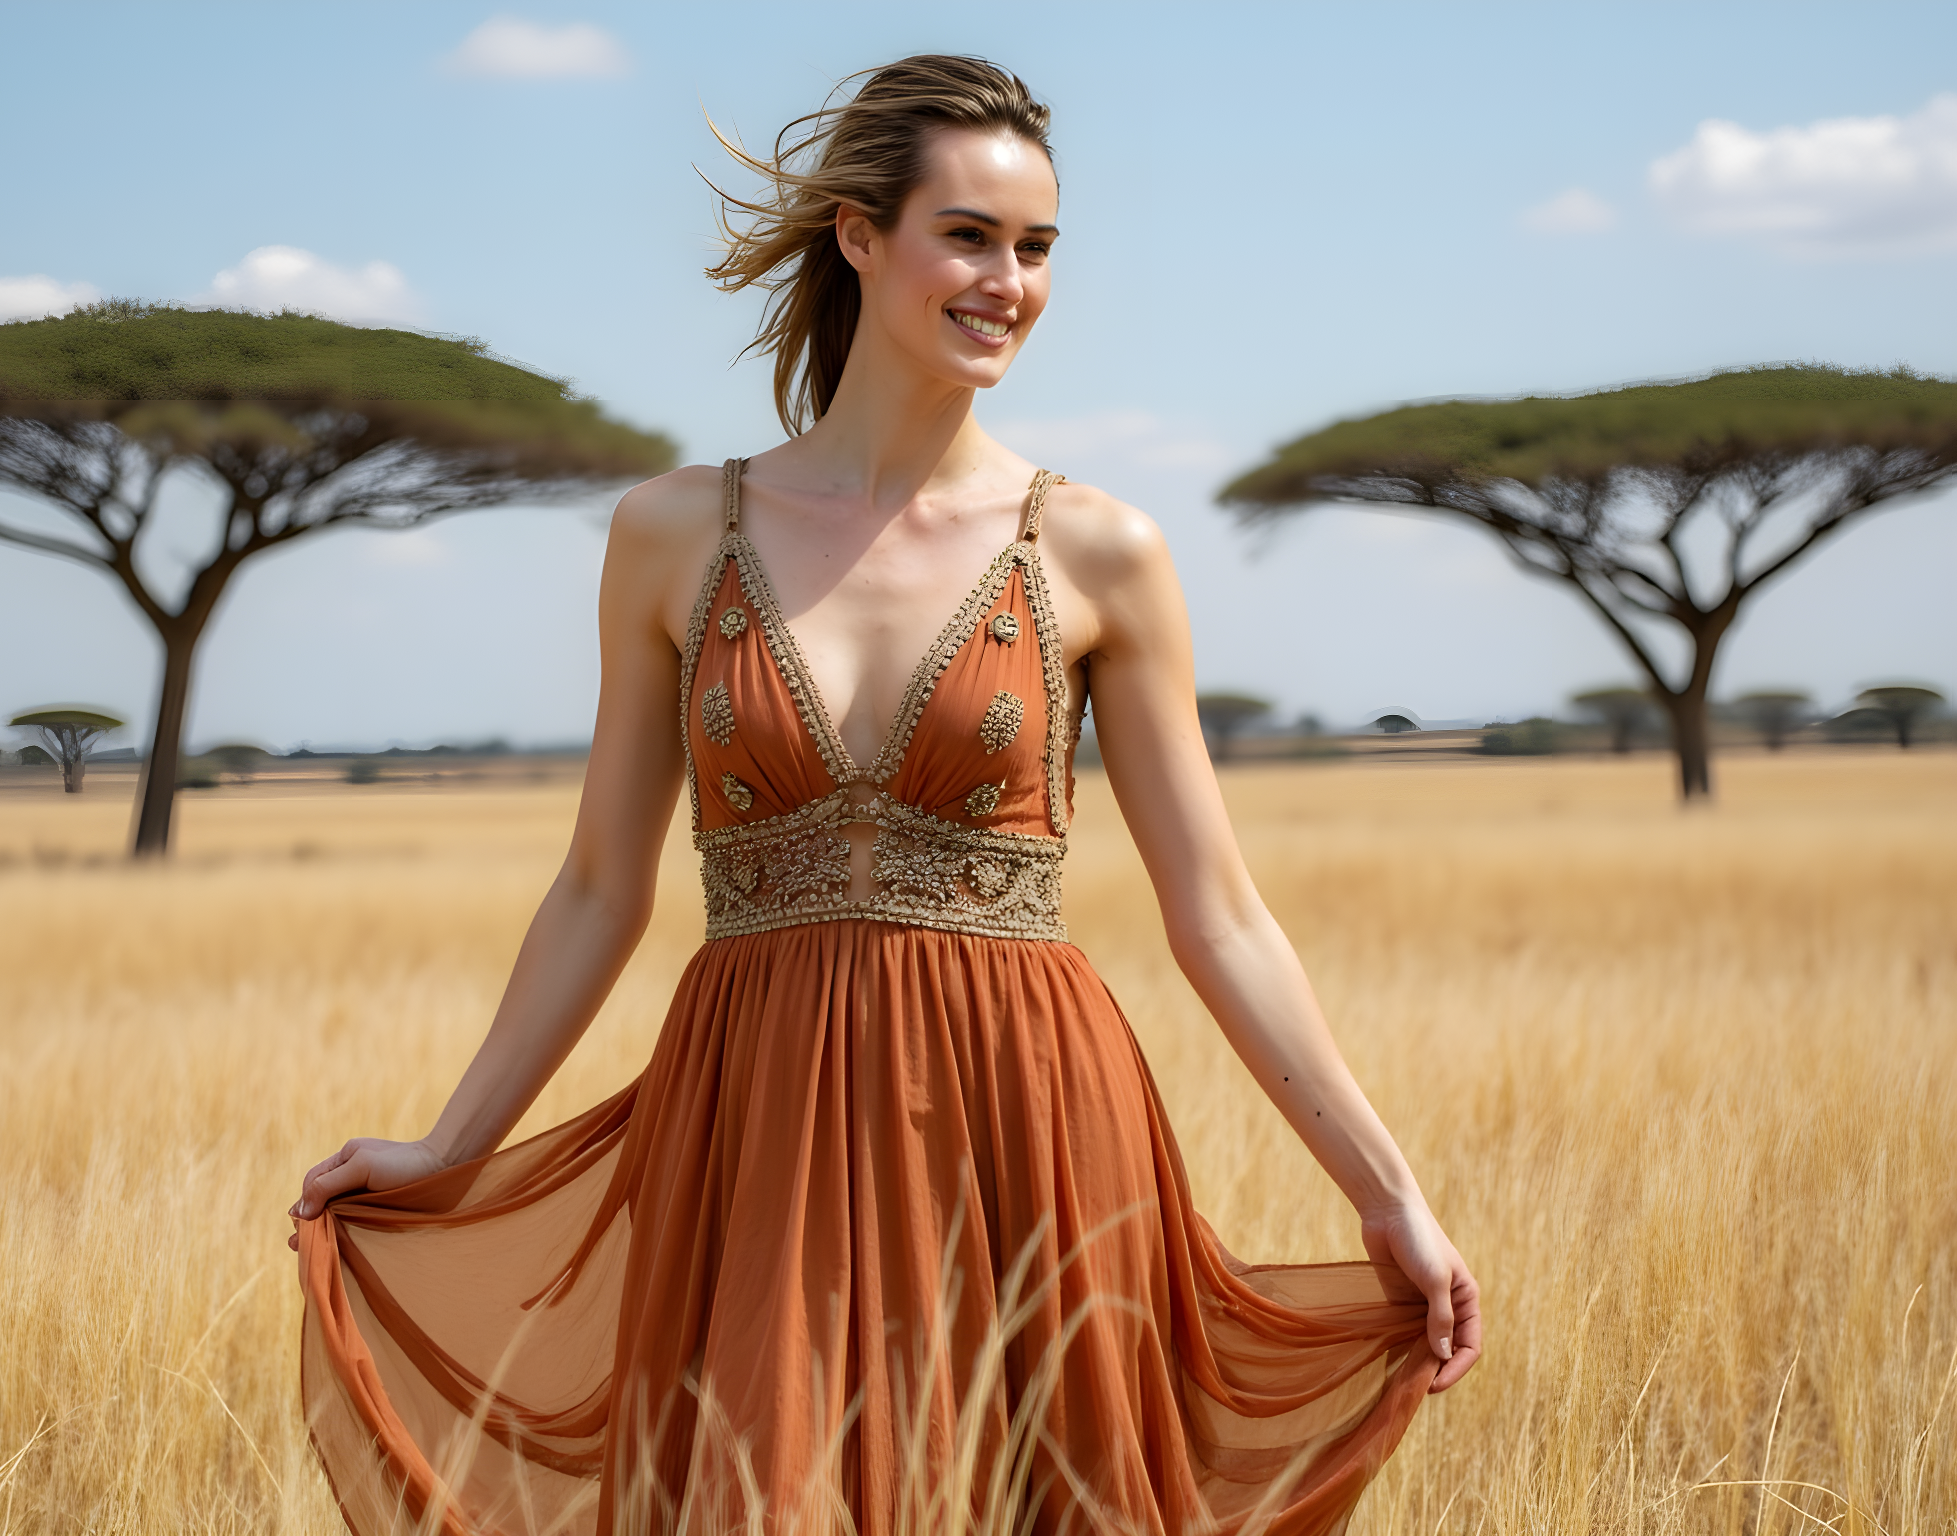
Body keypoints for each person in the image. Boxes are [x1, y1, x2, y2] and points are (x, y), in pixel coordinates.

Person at [292, 54, 1479, 1536]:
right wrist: (453, 1144)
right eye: (968, 235)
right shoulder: (672, 535)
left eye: (1036, 247)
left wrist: (1386, 1192)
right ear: (859, 235)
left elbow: (1221, 916)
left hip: (1031, 1116)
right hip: (754, 1122)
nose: (1009, 282)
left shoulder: (1101, 550)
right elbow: (604, 882)